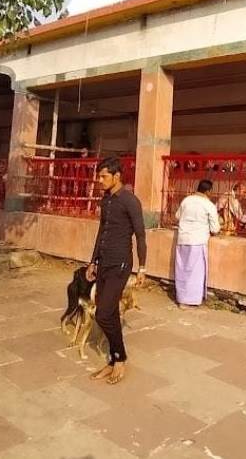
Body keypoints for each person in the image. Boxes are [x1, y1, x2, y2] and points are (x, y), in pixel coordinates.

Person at [85, 156, 147, 385]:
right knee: (108, 313)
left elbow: (140, 235)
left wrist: (142, 268)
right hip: (104, 262)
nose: (100, 180)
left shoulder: (130, 201)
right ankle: (113, 360)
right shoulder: (107, 200)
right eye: (99, 176)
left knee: (102, 313)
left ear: (117, 176)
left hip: (120, 264)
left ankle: (120, 358)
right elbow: (101, 231)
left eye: (104, 176)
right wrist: (93, 261)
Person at [174, 179, 220, 308]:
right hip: (197, 241)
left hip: (183, 239)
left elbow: (177, 216)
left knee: (182, 270)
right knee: (195, 273)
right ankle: (191, 300)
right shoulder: (209, 205)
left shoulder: (186, 200)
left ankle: (181, 299)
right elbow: (215, 228)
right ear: (208, 191)